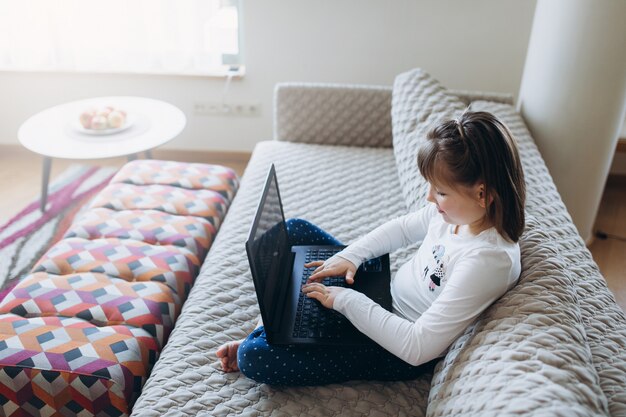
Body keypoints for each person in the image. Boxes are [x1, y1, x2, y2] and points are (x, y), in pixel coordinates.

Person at [217, 111, 526, 386]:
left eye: (441, 191)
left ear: (483, 194)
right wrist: (350, 256)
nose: (430, 198)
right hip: (382, 294)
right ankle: (279, 323)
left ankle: (268, 331)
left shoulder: (487, 260)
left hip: (394, 346)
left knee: (253, 358)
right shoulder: (462, 212)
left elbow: (417, 347)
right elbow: (402, 229)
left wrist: (345, 300)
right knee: (293, 230)